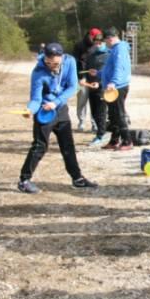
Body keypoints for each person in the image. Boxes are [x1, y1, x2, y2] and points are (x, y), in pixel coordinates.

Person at [17, 43, 98, 194]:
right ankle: (24, 180)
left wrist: (56, 102)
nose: (51, 66)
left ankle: (77, 179)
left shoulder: (70, 62)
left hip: (60, 109)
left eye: (55, 63)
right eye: (48, 62)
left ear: (61, 57)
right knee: (39, 146)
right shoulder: (38, 72)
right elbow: (35, 98)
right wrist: (30, 109)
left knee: (68, 146)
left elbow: (73, 86)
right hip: (44, 112)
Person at [100, 27, 133, 151]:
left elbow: (119, 68)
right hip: (114, 86)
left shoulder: (120, 49)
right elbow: (110, 68)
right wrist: (98, 73)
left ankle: (127, 141)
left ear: (110, 39)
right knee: (113, 114)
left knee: (119, 114)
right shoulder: (115, 49)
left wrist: (113, 82)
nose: (105, 44)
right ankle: (114, 140)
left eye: (105, 41)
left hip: (118, 87)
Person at [84, 33, 109, 146]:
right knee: (94, 113)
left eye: (100, 42)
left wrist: (100, 83)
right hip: (91, 87)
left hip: (103, 87)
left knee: (101, 112)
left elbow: (109, 73)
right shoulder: (91, 55)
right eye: (96, 42)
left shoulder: (109, 55)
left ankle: (101, 135)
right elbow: (87, 69)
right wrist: (84, 79)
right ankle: (102, 132)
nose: (98, 44)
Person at [73, 28, 100, 132]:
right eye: (93, 37)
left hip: (94, 77)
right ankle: (81, 121)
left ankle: (95, 123)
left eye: (97, 38)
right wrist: (79, 77)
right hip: (82, 77)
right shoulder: (79, 45)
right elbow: (74, 62)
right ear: (89, 35)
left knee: (95, 101)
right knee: (82, 100)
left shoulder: (98, 46)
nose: (95, 40)